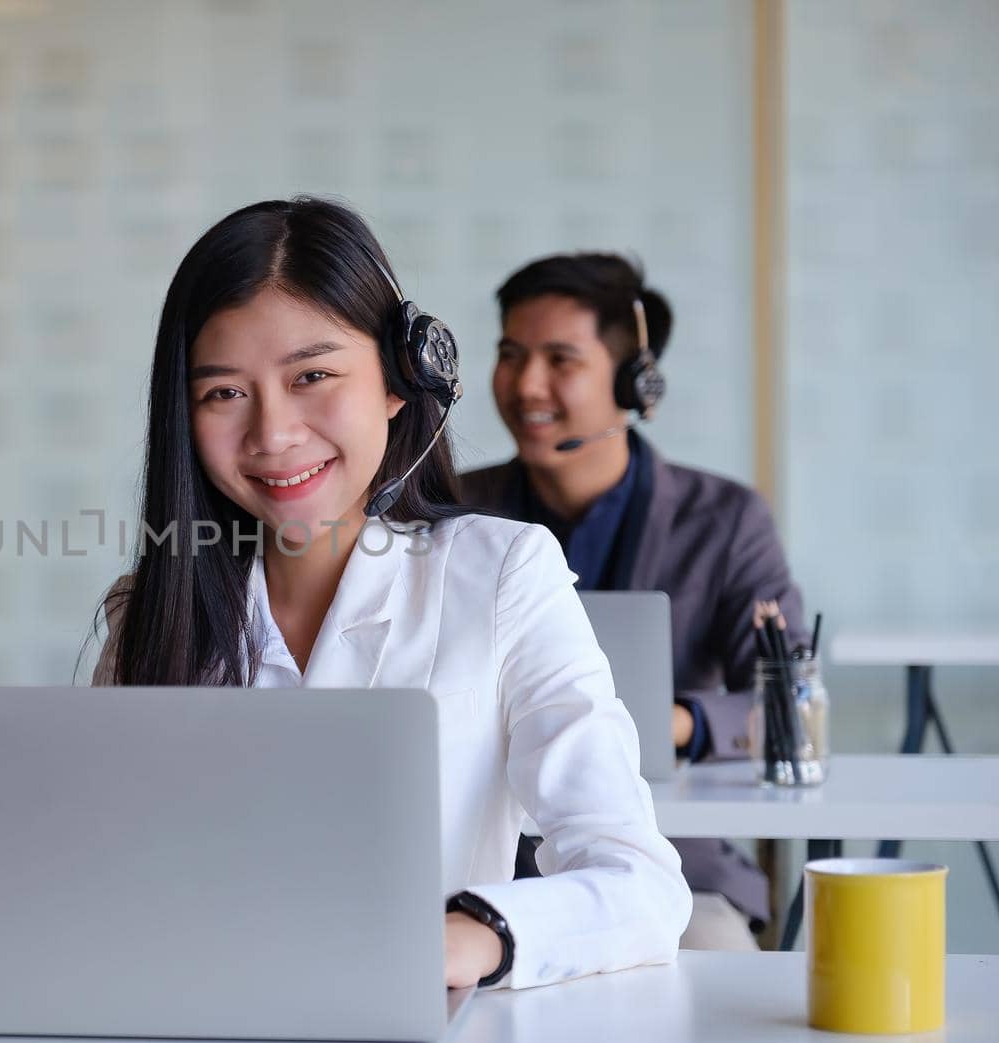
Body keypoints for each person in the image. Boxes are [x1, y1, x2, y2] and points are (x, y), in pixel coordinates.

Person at [91, 198, 689, 990]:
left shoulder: (503, 574)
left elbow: (641, 885)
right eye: (224, 393)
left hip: (409, 1026)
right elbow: (100, 883)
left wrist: (471, 938)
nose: (273, 433)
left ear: (403, 382)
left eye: (313, 376)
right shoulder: (152, 610)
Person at [459, 252, 808, 949]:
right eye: (510, 354)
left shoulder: (724, 518)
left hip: (672, 869)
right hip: (484, 870)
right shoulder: (457, 511)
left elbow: (789, 702)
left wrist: (674, 723)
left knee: (713, 961)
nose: (526, 383)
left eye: (560, 359)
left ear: (632, 380)